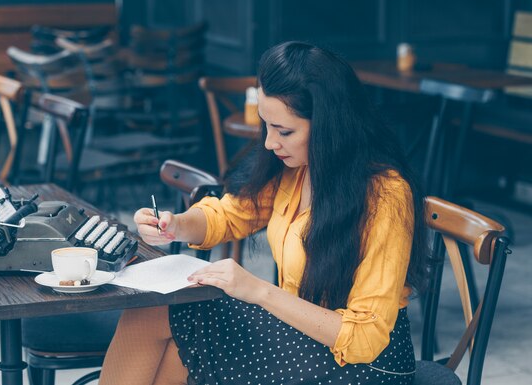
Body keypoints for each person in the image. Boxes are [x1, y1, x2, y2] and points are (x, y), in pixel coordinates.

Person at [99, 41, 429, 385]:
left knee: (165, 317)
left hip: (368, 365)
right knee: (167, 334)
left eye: (284, 131)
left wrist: (258, 290)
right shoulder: (297, 167)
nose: (270, 143)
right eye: (266, 126)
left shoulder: (385, 194)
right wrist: (175, 225)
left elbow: (364, 338)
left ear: (330, 126)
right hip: (304, 336)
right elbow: (228, 215)